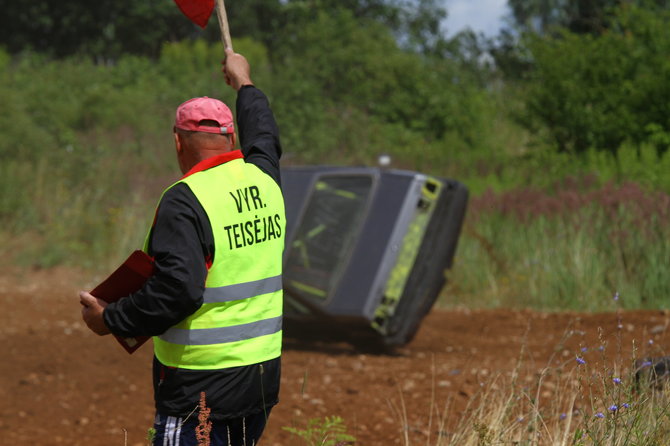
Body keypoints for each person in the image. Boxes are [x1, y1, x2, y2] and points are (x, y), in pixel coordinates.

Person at [79, 49, 285, 446]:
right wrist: (245, 82)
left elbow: (178, 290)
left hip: (201, 386)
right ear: (232, 139)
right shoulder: (265, 178)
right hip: (260, 380)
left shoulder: (184, 200)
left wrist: (111, 319)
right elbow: (264, 134)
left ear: (177, 141)